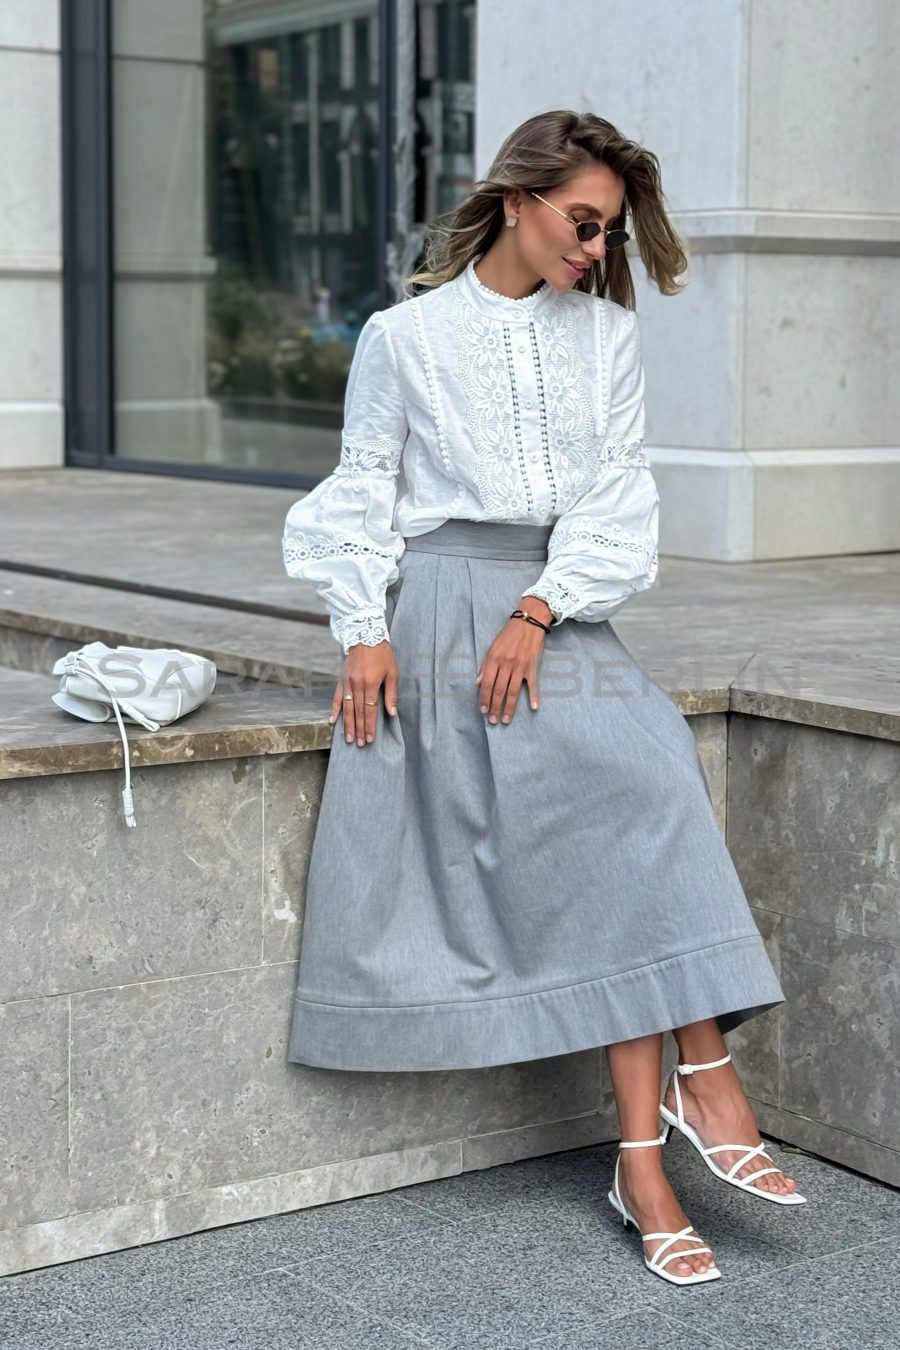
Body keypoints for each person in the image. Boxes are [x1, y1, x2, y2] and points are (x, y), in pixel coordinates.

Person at [282, 109, 806, 1286]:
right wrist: (363, 628)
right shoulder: (404, 338)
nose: (595, 248)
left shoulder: (606, 336)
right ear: (515, 199)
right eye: (584, 222)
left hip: (555, 606)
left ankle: (680, 1103)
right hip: (440, 607)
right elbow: (363, 487)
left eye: (610, 232)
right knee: (616, 825)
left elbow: (619, 495)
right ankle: (664, 1142)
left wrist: (540, 608)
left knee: (647, 777)